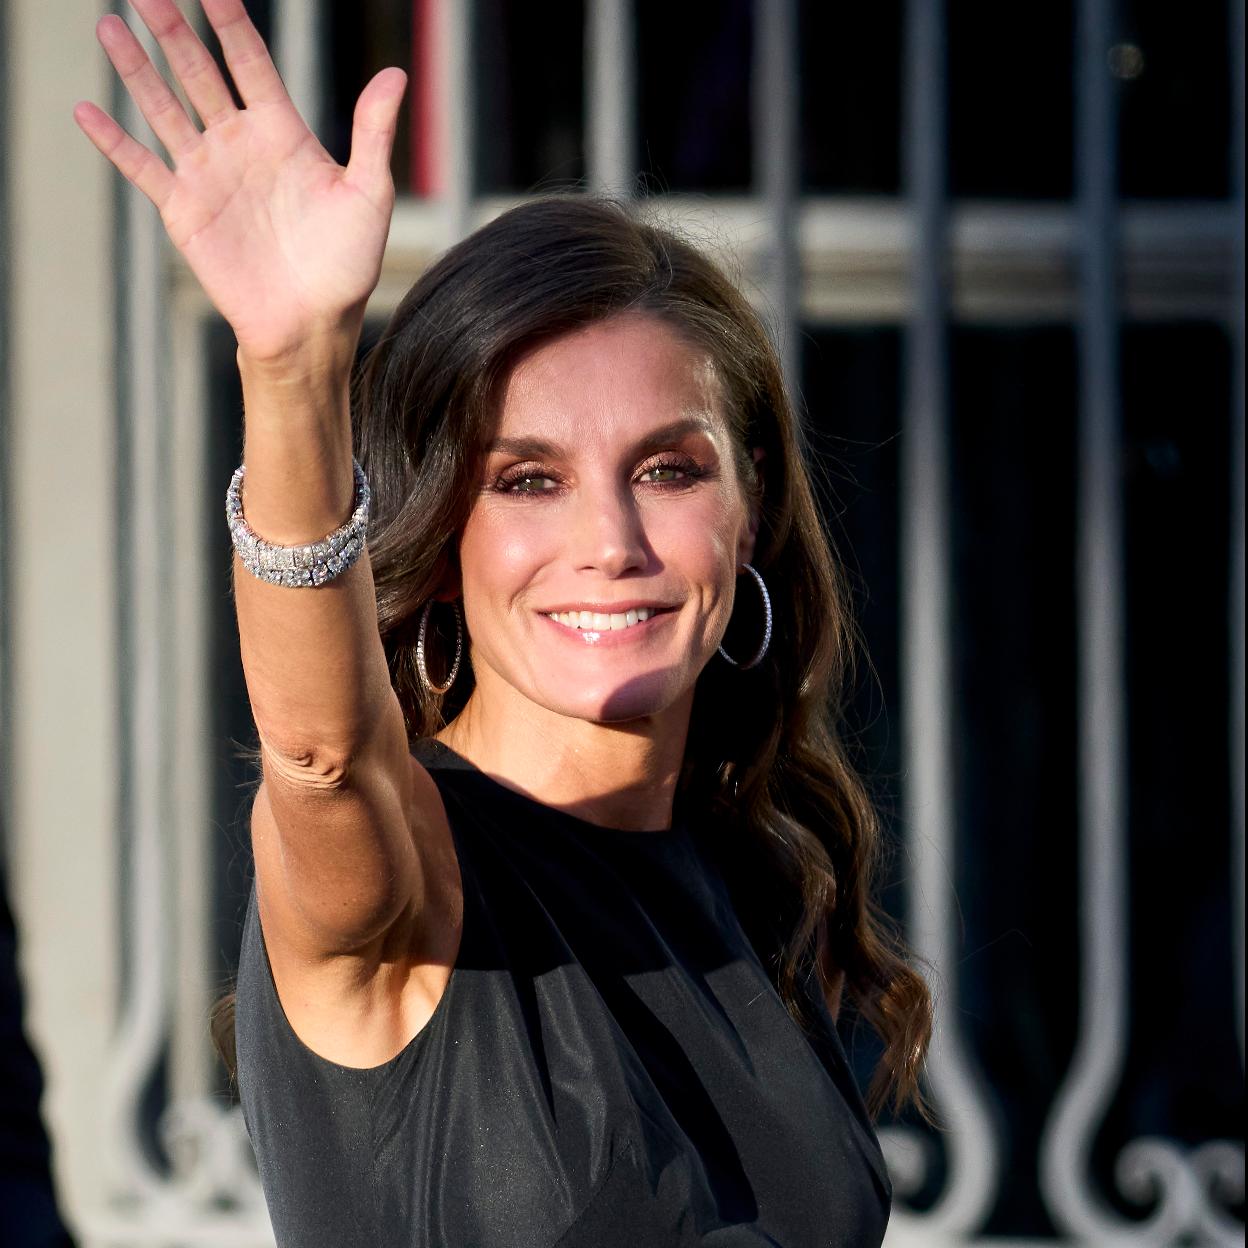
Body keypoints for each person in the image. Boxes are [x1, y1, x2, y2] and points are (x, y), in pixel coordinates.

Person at [76, 2, 934, 1243]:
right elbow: (322, 760)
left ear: (748, 510)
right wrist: (293, 371)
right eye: (527, 480)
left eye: (668, 470)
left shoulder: (750, 880)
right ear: (442, 540)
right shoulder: (403, 881)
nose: (612, 544)